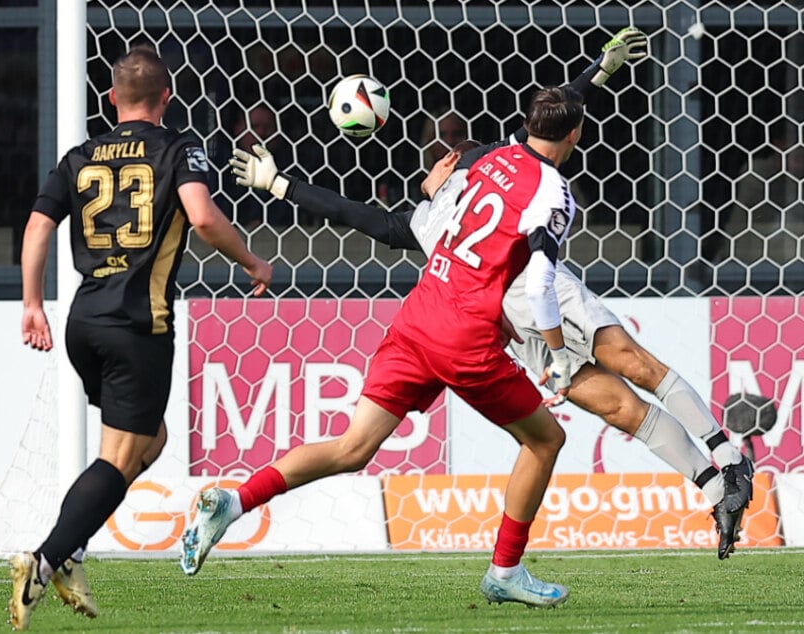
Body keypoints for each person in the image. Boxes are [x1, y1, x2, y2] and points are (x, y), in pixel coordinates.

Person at [227, 27, 754, 560]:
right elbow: (384, 220)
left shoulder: (478, 170)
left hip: (534, 289)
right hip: (508, 313)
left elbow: (546, 126)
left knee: (628, 362)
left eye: (447, 148)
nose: (442, 158)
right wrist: (598, 72)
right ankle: (715, 487)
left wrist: (281, 185)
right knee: (613, 405)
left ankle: (726, 456)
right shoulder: (446, 204)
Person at [180, 85, 591, 609]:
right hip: (464, 337)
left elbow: (380, 218)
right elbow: (537, 286)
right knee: (545, 441)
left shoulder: (488, 160)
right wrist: (557, 357)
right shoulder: (554, 193)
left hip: (418, 317)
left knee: (353, 447)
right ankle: (505, 570)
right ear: (575, 135)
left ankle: (234, 502)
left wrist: (287, 184)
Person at [8, 45, 273, 631]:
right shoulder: (180, 148)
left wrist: (31, 304)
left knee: (149, 441)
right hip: (139, 323)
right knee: (120, 457)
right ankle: (48, 557)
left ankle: (72, 552)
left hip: (84, 322)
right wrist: (253, 262)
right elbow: (202, 218)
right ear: (167, 98)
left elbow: (37, 225)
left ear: (111, 98)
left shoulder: (80, 155)